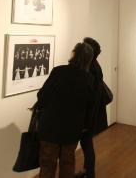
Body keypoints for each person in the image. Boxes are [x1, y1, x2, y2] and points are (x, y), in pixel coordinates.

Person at [37, 42, 94, 178]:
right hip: (72, 129)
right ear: (89, 59)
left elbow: (42, 96)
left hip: (50, 127)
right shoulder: (88, 79)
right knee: (68, 163)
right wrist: (85, 126)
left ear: (74, 54)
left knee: (47, 164)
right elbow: (89, 106)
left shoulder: (58, 71)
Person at [75, 37, 109, 178]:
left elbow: (90, 96)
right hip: (91, 115)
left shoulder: (91, 69)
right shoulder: (95, 65)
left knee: (86, 145)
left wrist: (86, 120)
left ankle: (89, 174)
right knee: (87, 144)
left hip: (87, 116)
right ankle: (87, 172)